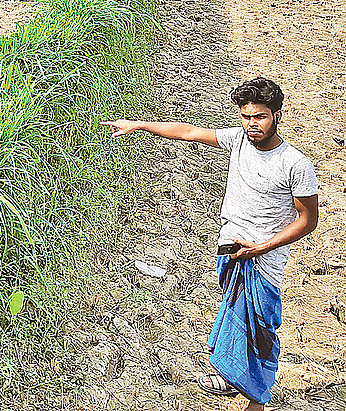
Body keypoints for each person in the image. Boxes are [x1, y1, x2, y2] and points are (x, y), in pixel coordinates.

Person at [102, 77, 319, 411]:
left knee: (261, 327)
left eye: (259, 117)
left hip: (265, 259)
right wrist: (139, 125)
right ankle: (233, 375)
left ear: (277, 114)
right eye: (246, 116)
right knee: (234, 315)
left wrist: (262, 247)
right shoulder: (237, 140)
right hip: (230, 248)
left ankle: (256, 399)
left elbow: (307, 220)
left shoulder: (295, 164)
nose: (251, 124)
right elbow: (189, 132)